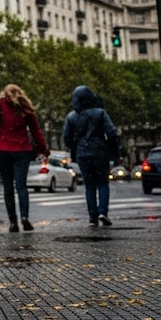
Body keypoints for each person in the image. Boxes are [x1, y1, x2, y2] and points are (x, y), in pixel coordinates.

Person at [0, 84, 48, 233]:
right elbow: (36, 131)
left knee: (8, 187)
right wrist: (43, 148)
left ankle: (13, 222)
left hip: (2, 150)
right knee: (21, 186)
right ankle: (24, 217)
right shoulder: (26, 109)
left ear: (4, 94)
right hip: (22, 150)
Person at [63, 85, 117, 227]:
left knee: (89, 186)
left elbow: (67, 138)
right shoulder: (100, 113)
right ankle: (102, 212)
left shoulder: (71, 116)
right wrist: (112, 149)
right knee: (103, 183)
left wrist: (75, 146)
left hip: (82, 154)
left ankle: (92, 217)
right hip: (100, 152)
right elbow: (111, 132)